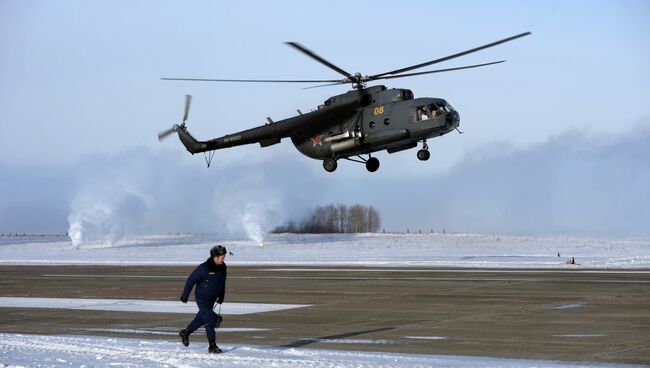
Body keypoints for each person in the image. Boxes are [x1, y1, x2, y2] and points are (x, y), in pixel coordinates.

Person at [179, 244, 228, 353]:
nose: (223, 259)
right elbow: (191, 280)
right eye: (222, 257)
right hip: (202, 298)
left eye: (224, 257)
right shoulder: (203, 268)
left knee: (202, 318)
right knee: (211, 319)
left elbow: (222, 283)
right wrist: (185, 295)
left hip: (212, 298)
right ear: (215, 257)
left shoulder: (223, 268)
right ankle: (212, 345)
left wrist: (221, 296)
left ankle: (186, 332)